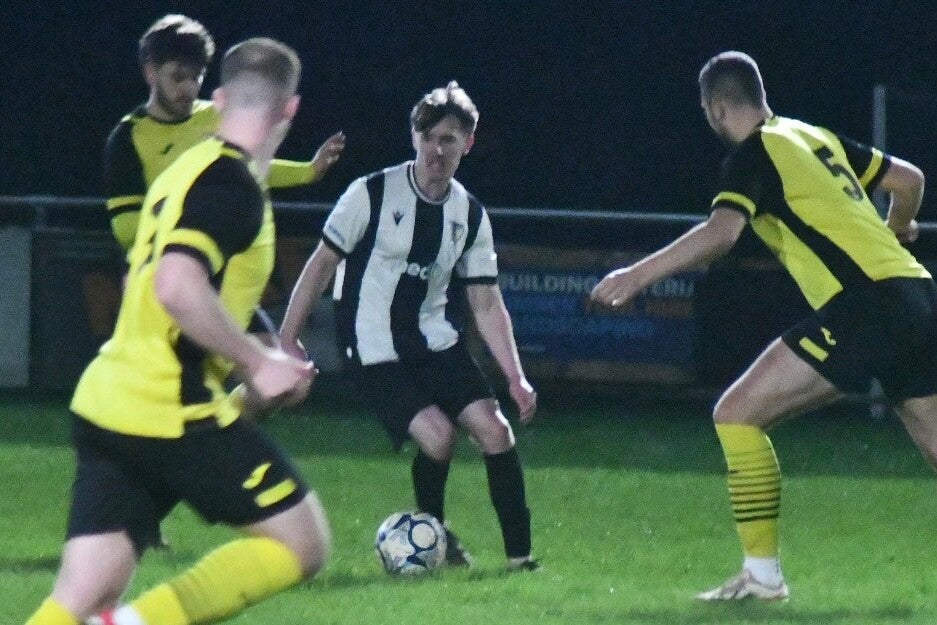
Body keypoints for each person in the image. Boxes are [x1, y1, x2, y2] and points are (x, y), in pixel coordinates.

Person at [591, 50, 933, 601]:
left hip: (866, 305)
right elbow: (909, 179)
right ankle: (760, 578)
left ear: (717, 108)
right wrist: (897, 228)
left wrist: (637, 275)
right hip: (917, 294)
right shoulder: (811, 135)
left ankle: (762, 578)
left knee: (736, 414)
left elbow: (721, 234)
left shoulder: (754, 153)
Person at [23, 38, 327, 625]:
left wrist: (242, 359)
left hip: (109, 399)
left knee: (81, 599)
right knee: (303, 544)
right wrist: (257, 361)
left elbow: (155, 282)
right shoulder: (231, 185)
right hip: (169, 407)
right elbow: (176, 284)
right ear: (290, 110)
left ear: (219, 100)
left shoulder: (183, 169)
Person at [279, 81, 540, 570]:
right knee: (438, 437)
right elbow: (321, 264)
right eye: (429, 137)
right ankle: (435, 539)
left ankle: (520, 560)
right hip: (371, 343)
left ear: (468, 143)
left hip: (434, 339)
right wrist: (288, 338)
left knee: (496, 431)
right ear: (414, 137)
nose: (437, 149)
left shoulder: (469, 215)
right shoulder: (372, 193)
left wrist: (515, 377)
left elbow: (486, 302)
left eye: (449, 139)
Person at [105, 14, 345, 252]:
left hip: (229, 262)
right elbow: (125, 230)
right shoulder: (127, 138)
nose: (189, 88)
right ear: (150, 72)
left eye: (196, 77)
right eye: (178, 77)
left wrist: (308, 172)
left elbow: (248, 168)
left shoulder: (217, 115)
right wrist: (188, 203)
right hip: (166, 266)